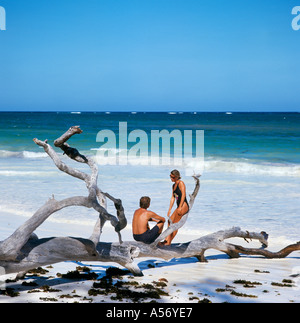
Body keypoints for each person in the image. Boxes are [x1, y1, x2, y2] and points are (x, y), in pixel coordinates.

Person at [163, 169, 189, 245]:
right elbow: (173, 197)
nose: (171, 178)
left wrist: (180, 207)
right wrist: (169, 209)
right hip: (179, 206)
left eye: (173, 177)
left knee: (175, 224)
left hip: (184, 205)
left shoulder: (181, 183)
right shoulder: (173, 185)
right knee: (169, 221)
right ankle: (166, 240)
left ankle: (169, 242)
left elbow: (183, 195)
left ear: (177, 177)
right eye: (170, 177)